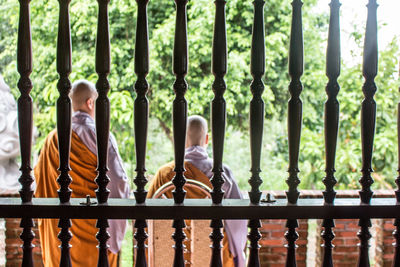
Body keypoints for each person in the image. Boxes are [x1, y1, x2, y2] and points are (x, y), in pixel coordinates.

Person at [34, 80, 130, 267]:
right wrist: (115, 234)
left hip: (60, 235)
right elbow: (118, 182)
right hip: (96, 234)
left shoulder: (52, 139)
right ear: (90, 103)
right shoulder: (99, 135)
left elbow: (39, 184)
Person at [148, 115, 247, 267]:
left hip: (173, 253)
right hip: (214, 253)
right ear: (207, 139)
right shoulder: (222, 172)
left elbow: (148, 218)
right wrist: (238, 256)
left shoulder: (164, 173)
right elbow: (238, 220)